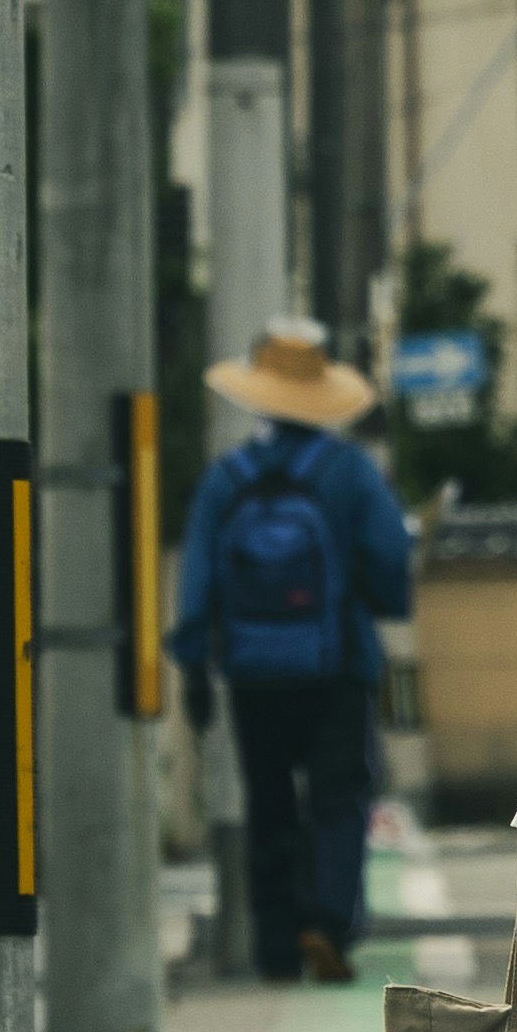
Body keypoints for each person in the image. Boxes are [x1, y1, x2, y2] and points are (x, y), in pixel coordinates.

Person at [168, 313, 414, 985]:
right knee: (338, 797)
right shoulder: (348, 473)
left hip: (253, 669)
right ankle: (326, 921)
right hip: (337, 666)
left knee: (269, 802)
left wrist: (194, 659)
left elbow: (197, 578)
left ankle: (276, 947)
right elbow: (391, 555)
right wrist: (383, 602)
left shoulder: (229, 478)